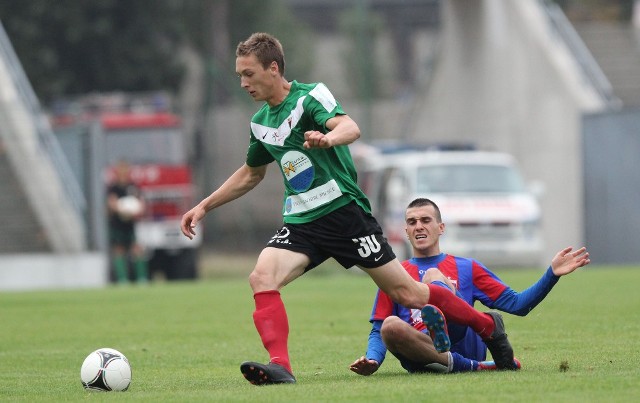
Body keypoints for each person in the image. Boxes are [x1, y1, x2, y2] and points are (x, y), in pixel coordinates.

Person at [180, 32, 518, 386]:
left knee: (409, 294)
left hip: (344, 213)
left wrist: (328, 138)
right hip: (302, 222)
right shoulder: (261, 123)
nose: (243, 82)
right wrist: (204, 205)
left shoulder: (310, 97)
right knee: (262, 278)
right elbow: (251, 173)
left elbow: (350, 127)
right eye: (239, 75)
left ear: (273, 68)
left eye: (248, 74)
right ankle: (280, 366)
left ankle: (487, 327)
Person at [349, 198, 590, 376]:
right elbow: (378, 328)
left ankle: (442, 331)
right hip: (420, 354)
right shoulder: (394, 273)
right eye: (412, 222)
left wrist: (552, 274)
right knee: (390, 326)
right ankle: (466, 362)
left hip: (460, 341)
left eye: (425, 220)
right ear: (406, 231)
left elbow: (518, 305)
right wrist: (372, 361)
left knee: (434, 275)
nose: (419, 226)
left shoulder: (467, 268)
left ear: (441, 227)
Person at [107, 160, 148, 284]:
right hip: (117, 224)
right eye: (121, 169)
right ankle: (122, 280)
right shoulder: (113, 188)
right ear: (117, 171)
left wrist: (136, 210)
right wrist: (122, 209)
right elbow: (111, 204)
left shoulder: (132, 187)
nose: (123, 172)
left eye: (125, 169)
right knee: (119, 251)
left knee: (137, 250)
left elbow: (141, 203)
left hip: (130, 224)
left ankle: (142, 279)